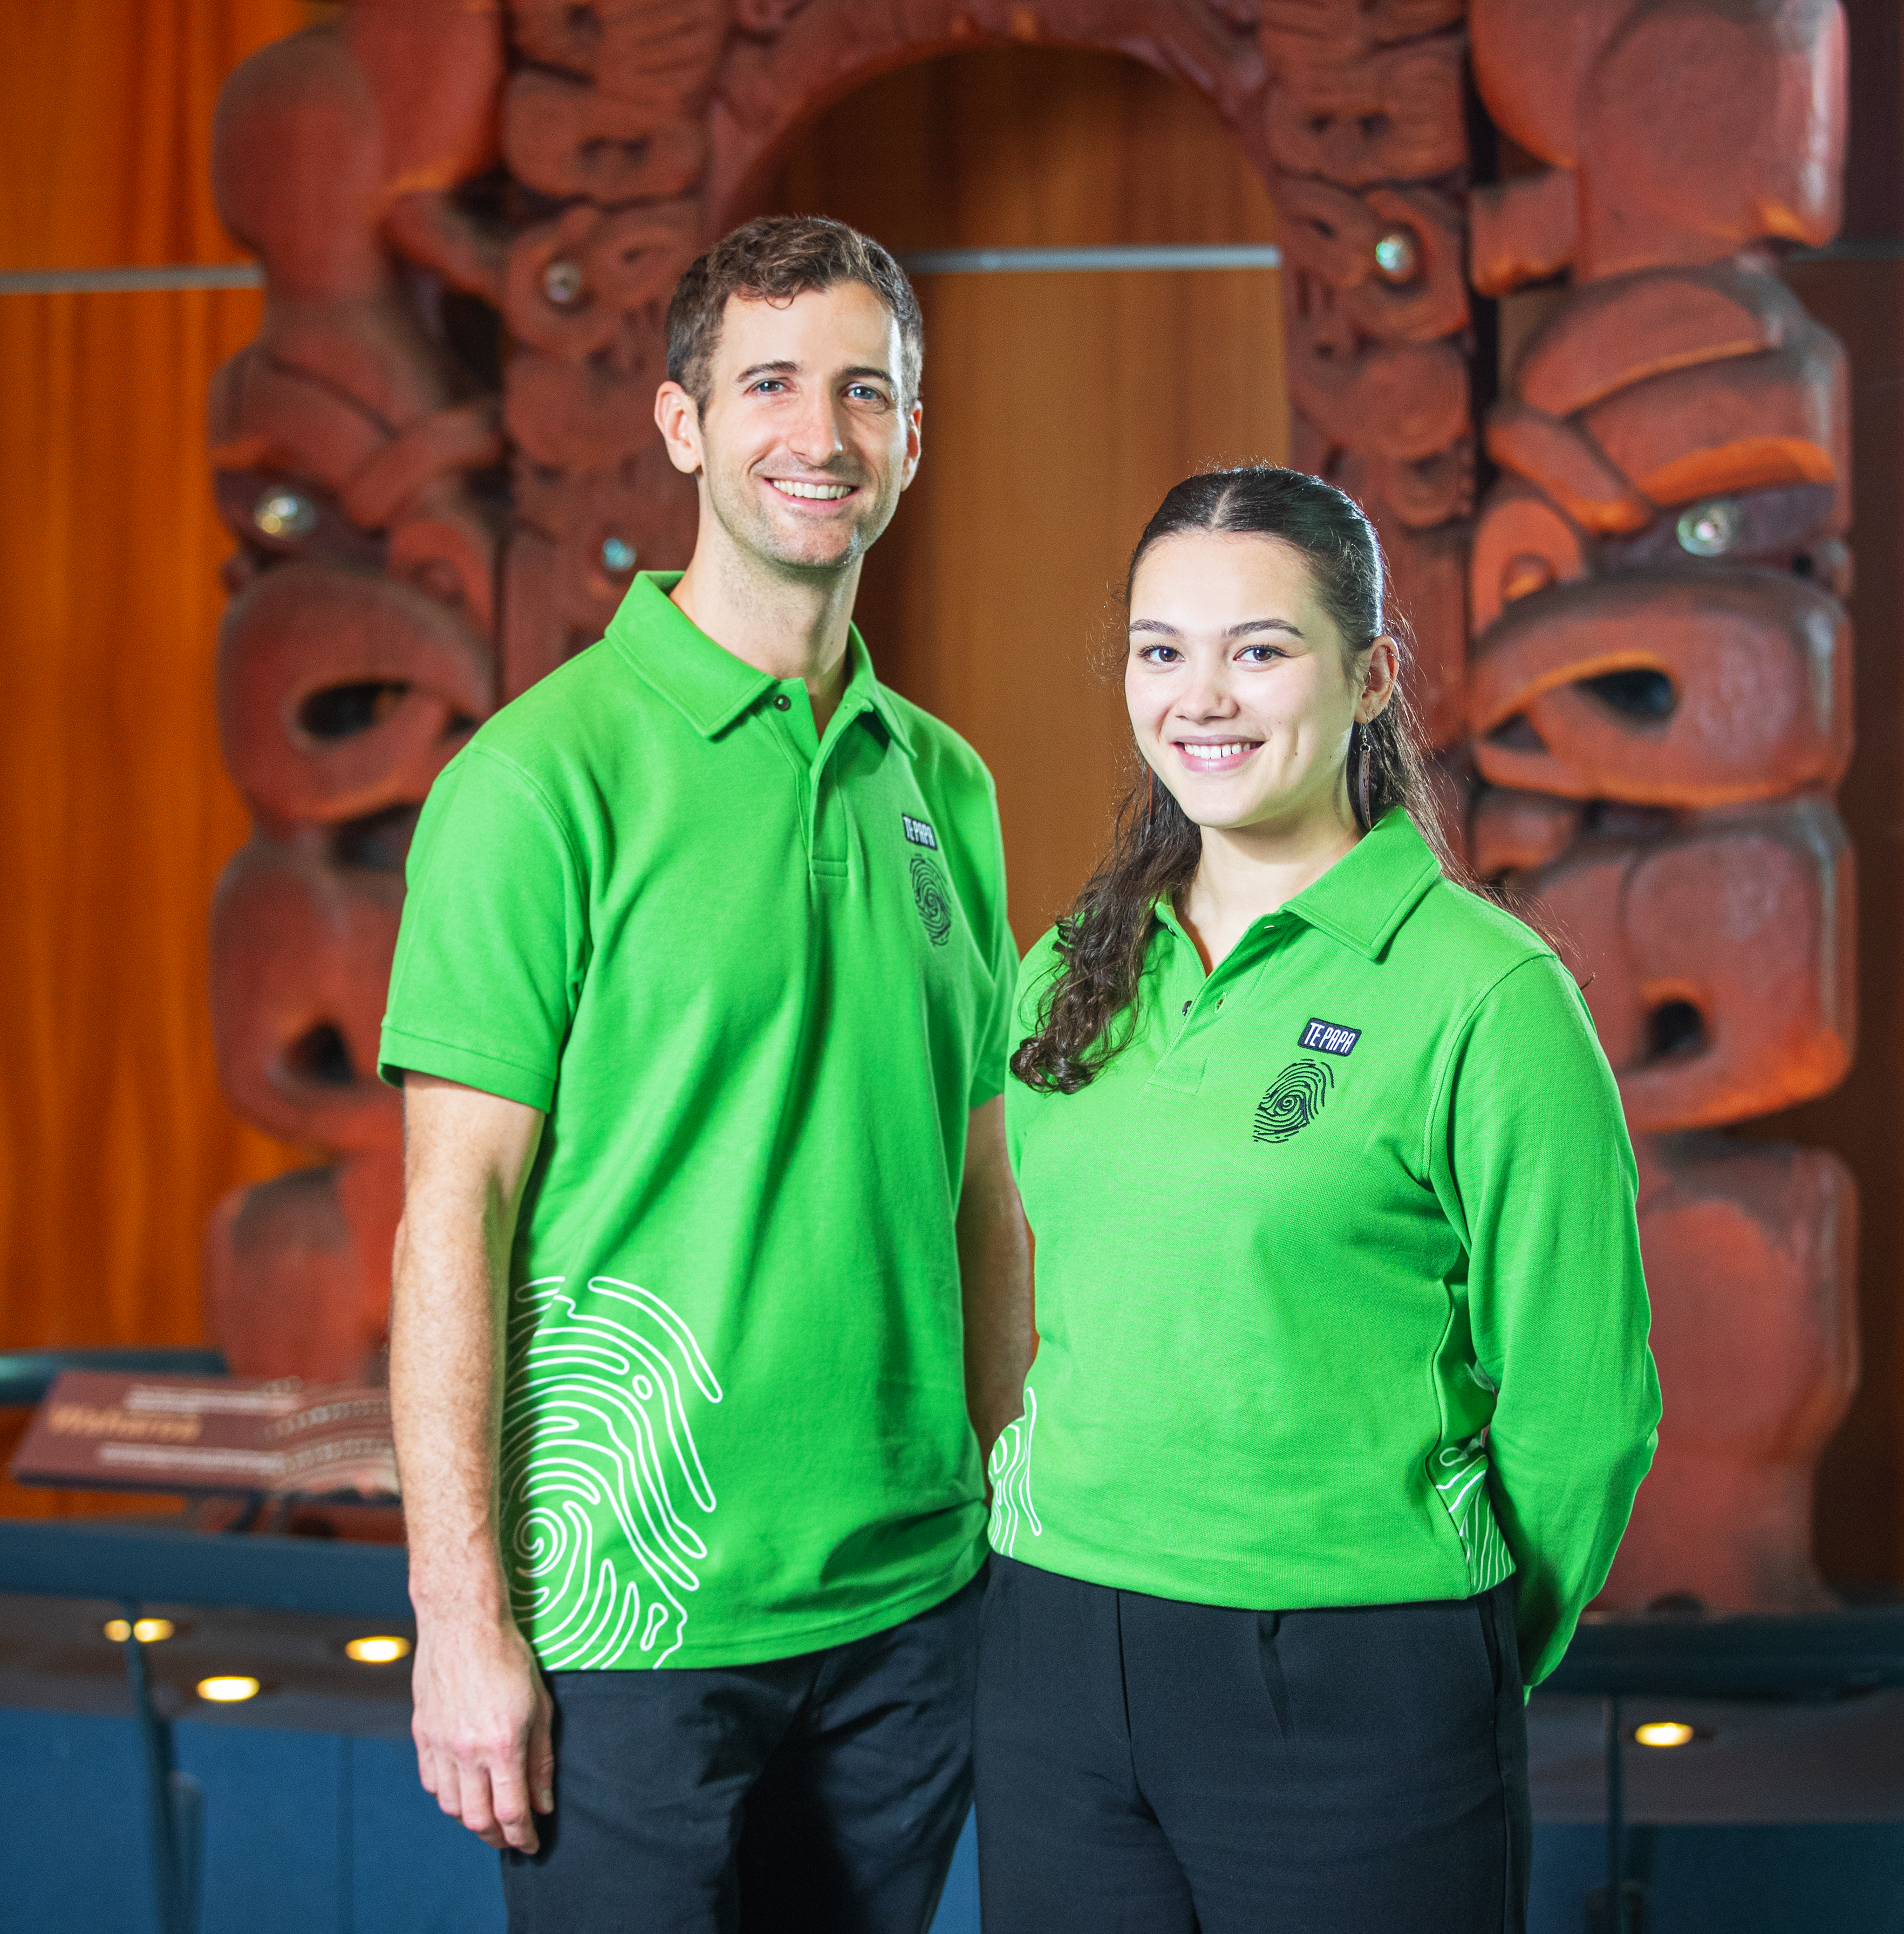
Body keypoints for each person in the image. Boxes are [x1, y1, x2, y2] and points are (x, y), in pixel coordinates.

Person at [380, 215, 1030, 1933]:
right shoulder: (538, 783)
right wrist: (462, 1620)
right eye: (768, 385)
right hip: (631, 1621)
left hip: (917, 1608)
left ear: (910, 436)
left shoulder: (945, 788)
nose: (820, 437)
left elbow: (984, 1194)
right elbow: (455, 1209)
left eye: (864, 393)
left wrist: (1016, 1528)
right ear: (681, 426)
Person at [974, 466, 1661, 1934]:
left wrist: (1442, 1649)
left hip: (1361, 1679)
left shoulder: (1488, 997)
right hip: (1055, 1653)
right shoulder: (1071, 968)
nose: (1201, 698)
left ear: (1371, 678)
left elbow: (1586, 1415)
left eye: (1259, 649)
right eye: (1162, 651)